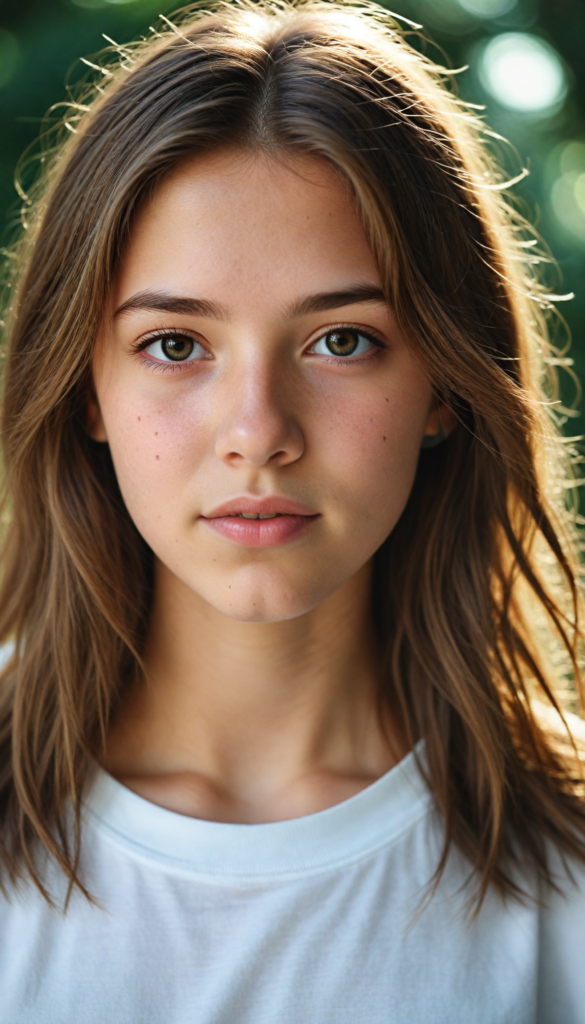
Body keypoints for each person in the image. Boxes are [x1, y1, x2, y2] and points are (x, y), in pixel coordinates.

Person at [0, 1, 584, 1019]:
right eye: (175, 345)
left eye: (341, 341)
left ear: (444, 384)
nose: (258, 432)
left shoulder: (565, 864)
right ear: (86, 388)